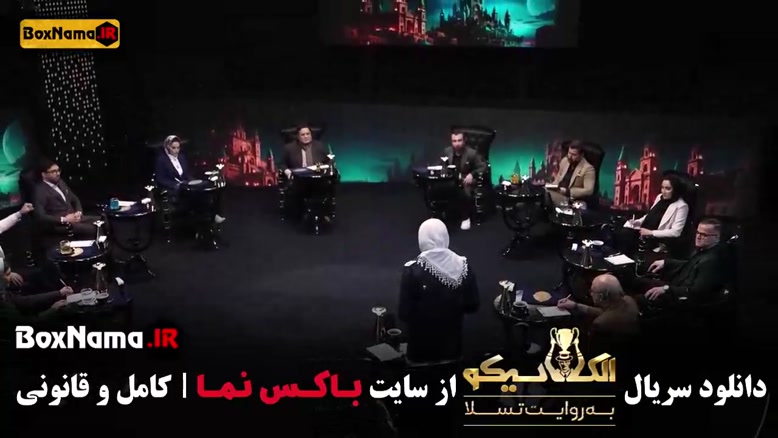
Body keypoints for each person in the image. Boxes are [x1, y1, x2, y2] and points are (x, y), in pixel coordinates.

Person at [398, 218, 480, 364]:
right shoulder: (463, 266)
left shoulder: (412, 270)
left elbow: (404, 314)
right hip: (452, 351)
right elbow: (473, 305)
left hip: (420, 353)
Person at [623, 218, 726, 309]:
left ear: (717, 237)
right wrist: (666, 262)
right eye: (698, 232)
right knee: (633, 280)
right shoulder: (704, 250)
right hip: (674, 287)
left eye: (704, 235)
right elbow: (691, 264)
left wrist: (666, 289)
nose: (698, 237)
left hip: (679, 298)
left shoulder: (711, 261)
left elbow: (697, 292)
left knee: (634, 300)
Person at [557, 274, 640, 352]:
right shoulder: (629, 300)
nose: (591, 293)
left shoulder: (600, 324)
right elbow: (605, 312)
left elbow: (592, 351)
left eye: (592, 291)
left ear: (601, 296)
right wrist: (575, 305)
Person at [155, 135, 226, 224]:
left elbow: (186, 174)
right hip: (173, 188)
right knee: (195, 195)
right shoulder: (162, 160)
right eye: (173, 148)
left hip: (185, 184)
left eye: (178, 148)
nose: (176, 150)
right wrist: (175, 185)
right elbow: (161, 179)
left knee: (205, 190)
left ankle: (211, 216)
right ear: (168, 147)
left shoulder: (181, 157)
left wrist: (192, 181)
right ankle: (207, 218)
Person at [613, 175, 689, 254]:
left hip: (656, 238)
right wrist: (637, 221)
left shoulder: (682, 206)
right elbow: (650, 215)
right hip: (643, 231)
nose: (663, 191)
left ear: (675, 190)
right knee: (618, 229)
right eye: (662, 187)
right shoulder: (659, 197)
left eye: (668, 188)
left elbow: (676, 232)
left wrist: (651, 232)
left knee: (625, 235)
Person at [33, 158, 101, 238]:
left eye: (58, 170)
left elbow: (75, 199)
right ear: (43, 174)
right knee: (94, 229)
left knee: (102, 221)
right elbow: (41, 216)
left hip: (75, 218)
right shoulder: (40, 191)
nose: (58, 173)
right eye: (53, 171)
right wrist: (64, 219)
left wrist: (79, 212)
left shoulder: (61, 182)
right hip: (59, 225)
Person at [279, 125, 332, 218]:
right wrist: (287, 171)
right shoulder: (289, 148)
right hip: (299, 179)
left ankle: (321, 213)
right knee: (298, 190)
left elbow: (329, 160)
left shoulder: (319, 146)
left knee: (326, 185)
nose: (306, 136)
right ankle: (302, 214)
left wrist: (324, 167)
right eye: (303, 135)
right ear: (298, 137)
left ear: (311, 135)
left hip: (317, 177)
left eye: (308, 134)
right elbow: (282, 164)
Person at [440, 130, 487, 230]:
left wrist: (472, 174)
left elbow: (483, 167)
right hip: (451, 179)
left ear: (464, 140)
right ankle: (440, 215)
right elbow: (442, 164)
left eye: (459, 140)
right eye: (454, 141)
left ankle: (465, 217)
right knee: (436, 187)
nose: (457, 143)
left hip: (465, 180)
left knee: (463, 189)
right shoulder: (447, 151)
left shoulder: (471, 153)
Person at [546, 141, 595, 207]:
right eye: (569, 153)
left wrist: (568, 192)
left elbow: (589, 190)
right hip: (558, 193)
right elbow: (559, 177)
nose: (570, 156)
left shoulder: (588, 169)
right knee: (543, 192)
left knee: (547, 197)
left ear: (581, 155)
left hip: (571, 198)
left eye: (574, 155)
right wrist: (552, 186)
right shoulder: (565, 161)